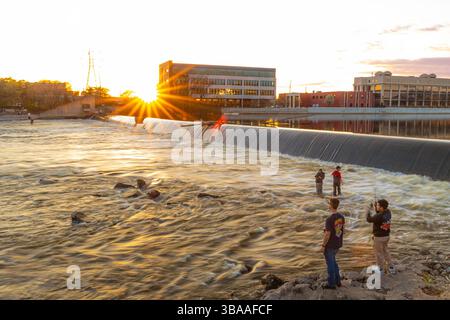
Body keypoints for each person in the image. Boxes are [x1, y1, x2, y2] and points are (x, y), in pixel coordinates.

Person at [321, 198, 345, 289]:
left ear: (331, 205)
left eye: (329, 203)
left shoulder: (329, 219)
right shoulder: (341, 217)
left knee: (330, 264)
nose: (328, 205)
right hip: (338, 244)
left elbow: (328, 234)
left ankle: (331, 284)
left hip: (330, 245)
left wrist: (323, 245)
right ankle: (338, 282)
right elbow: (343, 230)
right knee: (334, 263)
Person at [366, 199, 395, 274]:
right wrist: (376, 208)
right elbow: (378, 215)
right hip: (386, 236)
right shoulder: (388, 212)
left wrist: (368, 210)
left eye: (378, 205)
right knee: (386, 251)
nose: (377, 206)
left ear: (382, 207)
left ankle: (380, 270)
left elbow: (369, 219)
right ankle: (391, 267)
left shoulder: (379, 216)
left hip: (379, 238)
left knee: (378, 254)